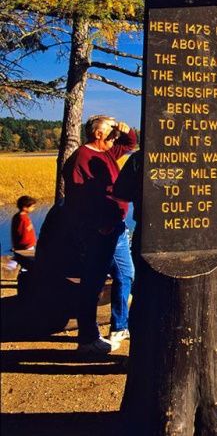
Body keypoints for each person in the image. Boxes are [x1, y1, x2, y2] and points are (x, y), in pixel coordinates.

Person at [63, 115, 137, 355]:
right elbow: (77, 201)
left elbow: (129, 144)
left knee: (126, 274)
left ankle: (120, 327)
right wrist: (96, 226)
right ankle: (87, 337)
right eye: (111, 132)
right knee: (92, 284)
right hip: (99, 231)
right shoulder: (81, 159)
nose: (115, 136)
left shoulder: (106, 153)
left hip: (117, 227)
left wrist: (125, 129)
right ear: (98, 134)